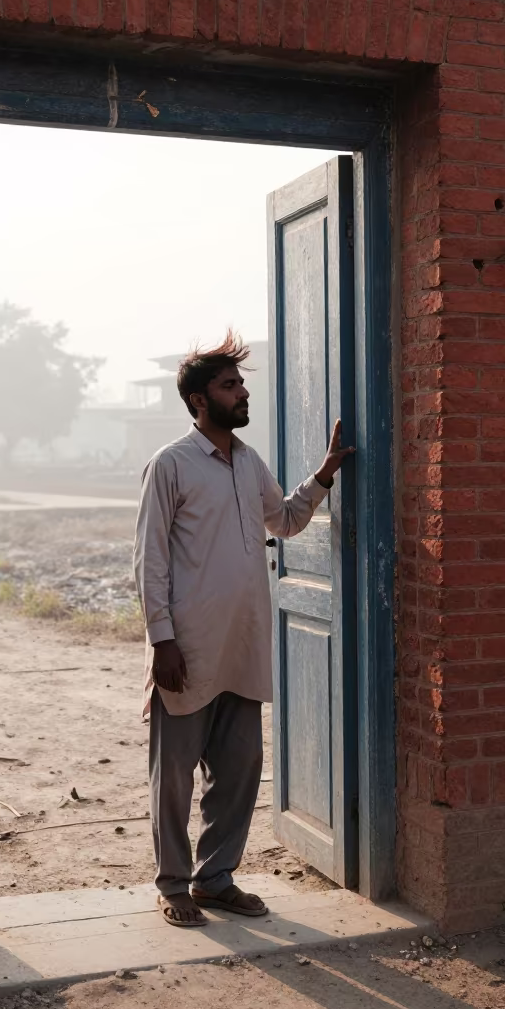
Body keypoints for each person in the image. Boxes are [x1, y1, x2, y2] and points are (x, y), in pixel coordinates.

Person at [133, 330, 354, 928]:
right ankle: (173, 885)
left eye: (241, 383)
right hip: (190, 648)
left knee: (238, 771)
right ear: (200, 400)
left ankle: (215, 879)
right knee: (174, 779)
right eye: (230, 385)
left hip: (245, 648)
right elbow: (150, 558)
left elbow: (283, 521)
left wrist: (326, 472)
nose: (242, 392)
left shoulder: (249, 462)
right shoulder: (171, 464)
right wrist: (162, 640)